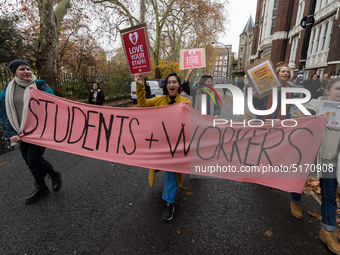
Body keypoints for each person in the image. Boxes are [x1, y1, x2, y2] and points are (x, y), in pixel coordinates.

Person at [0, 59, 62, 204]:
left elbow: (53, 103)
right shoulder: (6, 90)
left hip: (39, 130)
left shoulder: (40, 84)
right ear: (14, 72)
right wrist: (10, 134)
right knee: (29, 162)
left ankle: (53, 175)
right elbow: (2, 114)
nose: (27, 71)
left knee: (34, 159)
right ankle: (42, 187)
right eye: (22, 69)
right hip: (20, 131)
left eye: (28, 69)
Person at [291, 78, 340, 255]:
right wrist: (312, 118)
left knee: (329, 193)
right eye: (338, 89)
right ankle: (295, 201)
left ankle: (327, 232)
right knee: (298, 181)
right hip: (310, 155)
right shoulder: (314, 104)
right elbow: (295, 118)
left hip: (331, 160)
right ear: (327, 91)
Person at [135, 72, 191, 221]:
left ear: (179, 85)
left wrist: (186, 111)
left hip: (175, 147)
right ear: (166, 86)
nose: (171, 85)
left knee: (171, 174)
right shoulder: (159, 100)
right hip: (159, 145)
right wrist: (140, 87)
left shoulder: (185, 102)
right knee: (164, 169)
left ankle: (169, 203)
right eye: (169, 82)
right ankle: (168, 190)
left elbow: (189, 124)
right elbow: (143, 104)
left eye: (174, 82)